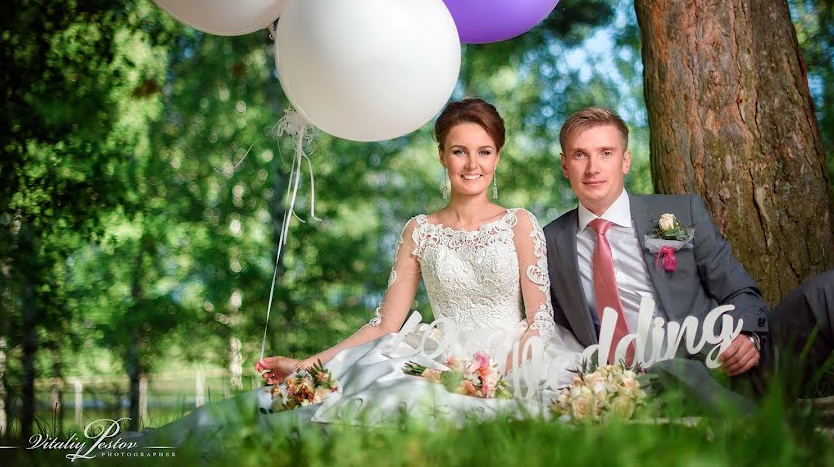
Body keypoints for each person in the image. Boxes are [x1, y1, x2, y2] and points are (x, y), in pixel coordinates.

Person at [137, 99, 583, 451]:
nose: (472, 164)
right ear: (442, 156)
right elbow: (386, 324)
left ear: (497, 156)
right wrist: (309, 364)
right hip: (436, 352)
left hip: (514, 356)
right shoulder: (419, 231)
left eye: (483, 152)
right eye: (459, 151)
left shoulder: (519, 224)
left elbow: (540, 319)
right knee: (361, 394)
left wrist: (495, 374)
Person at [544, 106, 834, 409]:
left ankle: (753, 417)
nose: (593, 168)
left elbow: (740, 291)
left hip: (733, 366)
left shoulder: (673, 214)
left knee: (831, 289)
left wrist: (748, 334)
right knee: (676, 370)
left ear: (625, 160)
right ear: (564, 165)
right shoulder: (549, 242)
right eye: (579, 155)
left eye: (606, 153)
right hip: (652, 386)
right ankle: (766, 434)